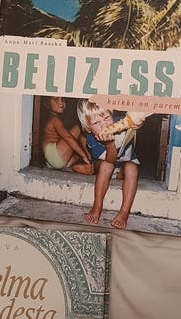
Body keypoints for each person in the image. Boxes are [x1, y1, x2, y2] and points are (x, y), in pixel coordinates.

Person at [76, 99, 141, 229]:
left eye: (106, 118)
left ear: (112, 114)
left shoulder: (121, 122)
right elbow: (110, 160)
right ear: (88, 127)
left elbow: (136, 119)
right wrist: (110, 144)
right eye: (96, 123)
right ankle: (97, 206)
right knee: (107, 165)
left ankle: (124, 212)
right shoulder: (91, 139)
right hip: (104, 166)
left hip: (122, 167)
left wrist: (138, 122)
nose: (104, 125)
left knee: (132, 168)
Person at [41, 96, 93, 174]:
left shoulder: (53, 118)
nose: (61, 102)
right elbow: (67, 137)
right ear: (47, 104)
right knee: (79, 126)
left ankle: (71, 167)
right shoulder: (54, 120)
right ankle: (86, 157)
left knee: (77, 157)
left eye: (62, 99)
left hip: (51, 159)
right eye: (56, 100)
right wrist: (84, 155)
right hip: (54, 154)